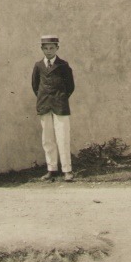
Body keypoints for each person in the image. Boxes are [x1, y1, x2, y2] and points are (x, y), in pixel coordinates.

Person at [32, 35, 76, 182]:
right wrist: (45, 99)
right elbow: (35, 85)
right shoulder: (38, 66)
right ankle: (51, 169)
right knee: (47, 138)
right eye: (45, 48)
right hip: (44, 105)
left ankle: (67, 170)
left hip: (60, 105)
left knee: (63, 137)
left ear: (57, 48)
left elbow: (70, 86)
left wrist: (60, 98)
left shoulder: (63, 65)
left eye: (52, 48)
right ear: (42, 49)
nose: (49, 51)